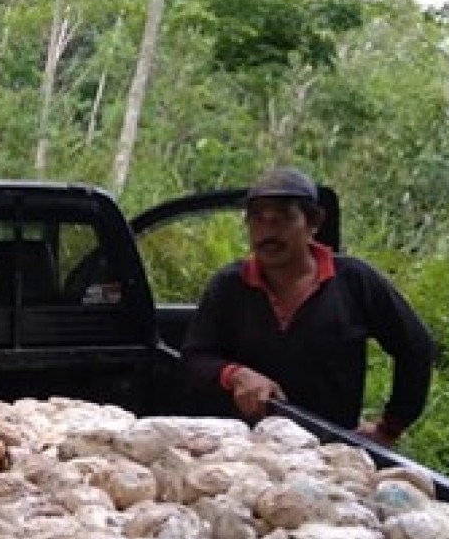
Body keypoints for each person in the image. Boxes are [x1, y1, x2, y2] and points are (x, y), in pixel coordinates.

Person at [181, 166, 434, 448]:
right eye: (258, 220)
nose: (268, 232)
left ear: (313, 223)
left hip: (328, 451)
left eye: (283, 219)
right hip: (243, 449)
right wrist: (236, 375)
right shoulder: (229, 285)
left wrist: (390, 427)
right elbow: (195, 359)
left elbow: (415, 347)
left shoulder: (353, 280)